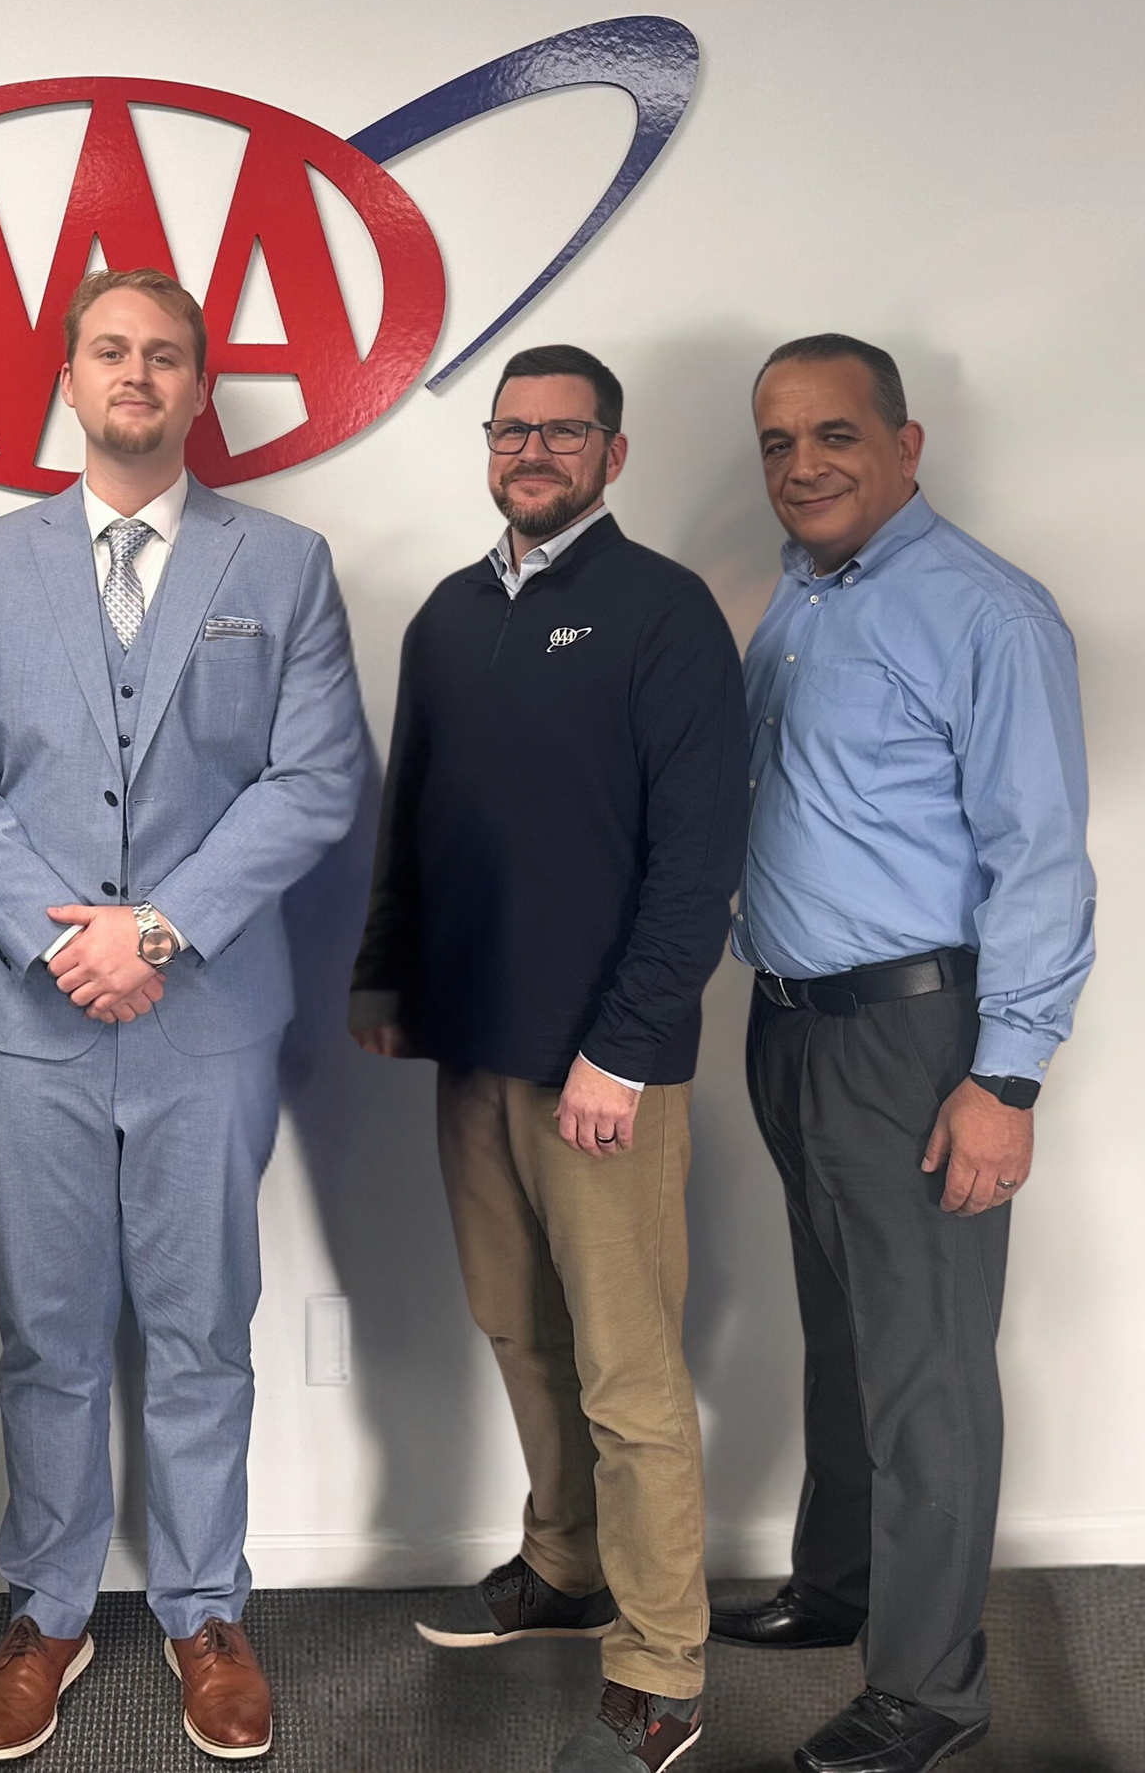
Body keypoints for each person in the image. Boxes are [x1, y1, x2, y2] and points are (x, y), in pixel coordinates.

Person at [0, 267, 364, 1762]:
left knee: (199, 1325)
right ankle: (46, 1607)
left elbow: (314, 780)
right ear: (70, 374)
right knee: (45, 1334)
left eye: (167, 354)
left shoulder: (282, 565)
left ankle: (205, 1611)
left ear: (199, 382)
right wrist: (70, 949)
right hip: (29, 1019)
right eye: (112, 350)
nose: (138, 375)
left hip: (203, 1014)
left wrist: (154, 929)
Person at [351, 344, 749, 1773]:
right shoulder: (454, 616)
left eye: (563, 432)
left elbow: (700, 861)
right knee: (523, 1333)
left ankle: (661, 1668)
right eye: (511, 430)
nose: (532, 451)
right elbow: (415, 815)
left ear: (613, 455)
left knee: (629, 1378)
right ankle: (564, 1570)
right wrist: (388, 970)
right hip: (473, 1049)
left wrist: (625, 1054)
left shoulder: (664, 614)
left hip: (602, 1078)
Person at [712, 334, 1095, 1773]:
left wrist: (1003, 1080)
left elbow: (1041, 862)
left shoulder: (988, 614)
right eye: (775, 442)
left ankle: (929, 1690)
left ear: (906, 443)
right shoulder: (800, 604)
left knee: (926, 1363)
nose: (801, 465)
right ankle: (843, 1585)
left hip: (917, 1037)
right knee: (839, 1332)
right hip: (796, 1027)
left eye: (835, 435)